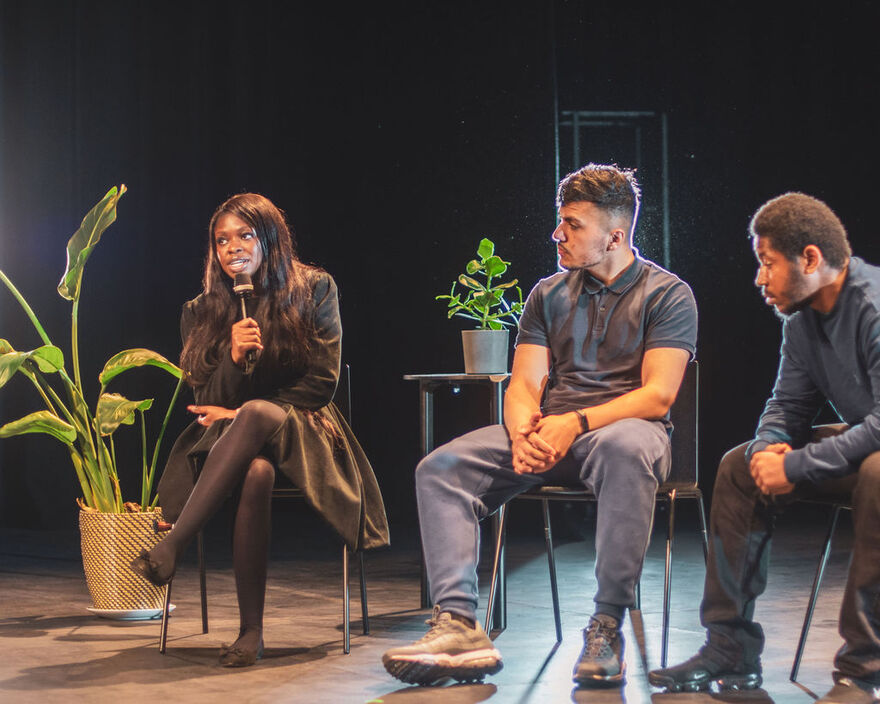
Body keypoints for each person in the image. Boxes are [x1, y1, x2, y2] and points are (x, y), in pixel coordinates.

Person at [382, 164, 698, 687]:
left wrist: (574, 423)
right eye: (560, 221)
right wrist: (523, 434)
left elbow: (658, 394)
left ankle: (607, 625)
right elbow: (525, 384)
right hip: (552, 435)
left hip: (628, 430)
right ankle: (459, 626)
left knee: (623, 448)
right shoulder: (548, 294)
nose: (557, 234)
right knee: (441, 468)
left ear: (614, 236)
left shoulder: (668, 294)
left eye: (573, 224)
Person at [131, 193, 389, 667]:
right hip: (229, 442)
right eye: (222, 240)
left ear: (270, 238)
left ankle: (173, 545)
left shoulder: (314, 289)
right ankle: (251, 632)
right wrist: (232, 358)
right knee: (256, 472)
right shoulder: (201, 310)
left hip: (306, 427)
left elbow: (322, 382)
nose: (232, 247)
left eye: (245, 235)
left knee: (252, 414)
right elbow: (203, 395)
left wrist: (243, 412)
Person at [649, 193, 880, 703]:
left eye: (768, 263)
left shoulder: (874, 307)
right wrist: (769, 450)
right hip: (868, 444)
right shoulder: (802, 321)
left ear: (811, 258)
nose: (759, 278)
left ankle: (863, 672)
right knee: (739, 466)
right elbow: (788, 405)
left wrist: (796, 465)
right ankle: (730, 647)